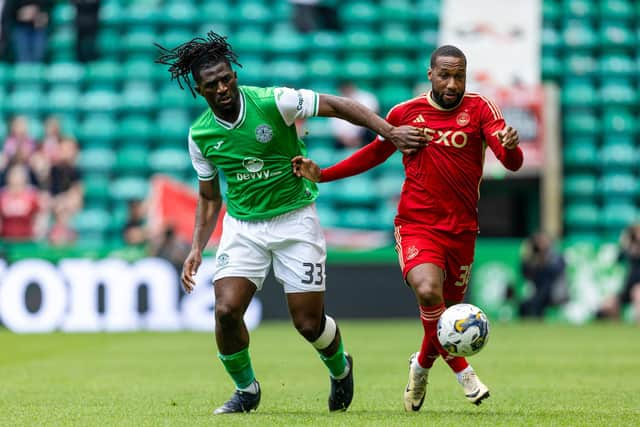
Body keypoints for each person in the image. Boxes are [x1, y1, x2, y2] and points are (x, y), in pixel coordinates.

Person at [154, 31, 425, 415]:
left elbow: (337, 104)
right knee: (226, 311)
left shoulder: (274, 101)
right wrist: (197, 247)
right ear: (200, 91)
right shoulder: (200, 135)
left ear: (234, 75)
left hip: (295, 220)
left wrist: (389, 132)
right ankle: (246, 390)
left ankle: (340, 367)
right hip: (244, 228)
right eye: (212, 84)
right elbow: (210, 196)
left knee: (308, 324)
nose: (224, 87)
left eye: (227, 78)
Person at [293, 45, 524, 411]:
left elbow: (510, 162)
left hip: (461, 230)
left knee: (447, 316)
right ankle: (465, 374)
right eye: (445, 75)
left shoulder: (480, 108)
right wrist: (324, 175)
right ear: (430, 74)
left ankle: (420, 367)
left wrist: (511, 147)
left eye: (459, 75)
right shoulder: (407, 113)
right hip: (417, 225)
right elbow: (373, 153)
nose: (452, 83)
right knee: (429, 292)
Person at [598, 224, 640, 323]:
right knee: (607, 304)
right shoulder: (629, 251)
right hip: (627, 289)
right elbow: (618, 258)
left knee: (638, 292)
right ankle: (617, 330)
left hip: (637, 290)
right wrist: (626, 240)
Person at [519, 232, 567, 318]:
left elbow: (553, 273)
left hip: (555, 291)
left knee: (540, 296)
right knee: (526, 303)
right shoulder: (533, 257)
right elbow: (525, 273)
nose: (541, 245)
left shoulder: (556, 256)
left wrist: (543, 261)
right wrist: (527, 257)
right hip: (538, 292)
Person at [330, 80, 380, 149]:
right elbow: (336, 127)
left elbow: (373, 117)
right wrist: (346, 139)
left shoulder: (366, 98)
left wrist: (359, 136)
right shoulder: (335, 103)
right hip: (345, 140)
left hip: (366, 135)